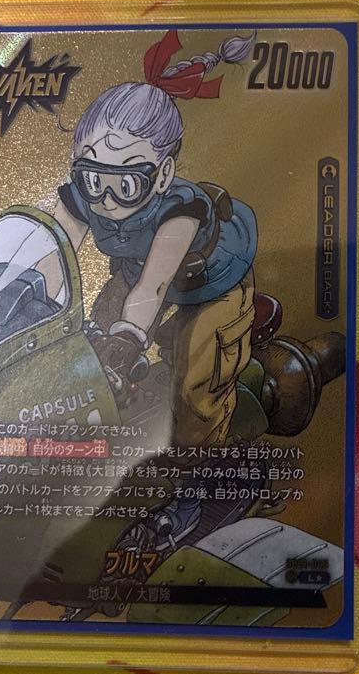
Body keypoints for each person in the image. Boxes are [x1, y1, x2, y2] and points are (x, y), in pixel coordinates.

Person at [52, 29, 264, 449]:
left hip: (212, 284)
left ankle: (199, 467)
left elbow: (154, 286)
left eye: (126, 184)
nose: (105, 198)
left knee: (195, 385)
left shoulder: (180, 211)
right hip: (136, 271)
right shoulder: (82, 196)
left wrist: (129, 336)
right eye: (92, 177)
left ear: (163, 174)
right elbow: (53, 255)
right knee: (89, 350)